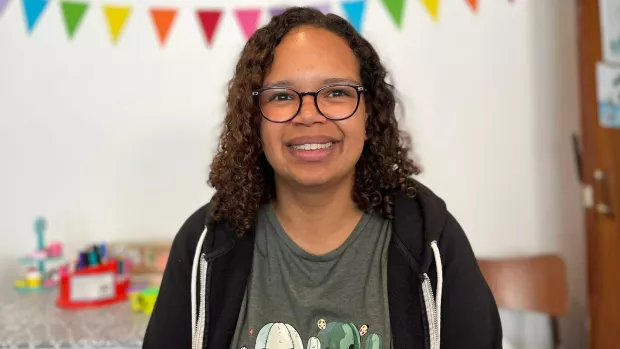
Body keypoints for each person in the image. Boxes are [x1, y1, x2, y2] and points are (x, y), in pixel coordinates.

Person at [142, 6, 502, 349]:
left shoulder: (431, 240)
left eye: (336, 93)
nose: (309, 115)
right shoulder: (204, 245)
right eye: (282, 95)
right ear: (255, 119)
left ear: (369, 112)